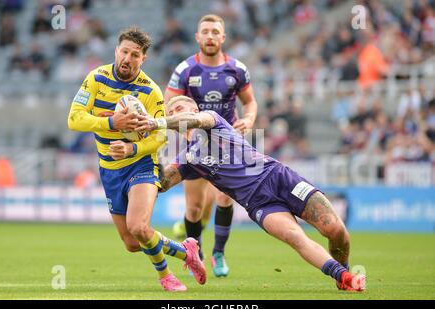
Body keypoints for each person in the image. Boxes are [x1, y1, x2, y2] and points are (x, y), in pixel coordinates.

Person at [130, 95, 366, 292]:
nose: (175, 112)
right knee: (296, 238)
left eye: (179, 108)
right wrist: (139, 151)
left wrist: (158, 122)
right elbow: (159, 183)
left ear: (194, 109)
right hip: (257, 202)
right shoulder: (187, 159)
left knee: (335, 230)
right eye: (172, 110)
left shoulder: (212, 119)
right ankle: (344, 277)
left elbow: (191, 119)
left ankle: (342, 268)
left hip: (279, 178)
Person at [67, 27, 206, 292]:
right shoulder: (96, 78)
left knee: (139, 226)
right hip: (109, 169)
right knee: (132, 243)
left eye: (135, 54)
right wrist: (111, 121)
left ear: (143, 59)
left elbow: (161, 136)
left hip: (142, 165)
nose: (128, 58)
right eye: (124, 52)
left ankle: (166, 276)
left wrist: (132, 150)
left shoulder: (150, 91)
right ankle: (186, 250)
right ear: (116, 51)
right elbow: (74, 119)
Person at [164, 14, 258, 277]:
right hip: (195, 144)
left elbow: (250, 102)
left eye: (215, 32)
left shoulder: (237, 69)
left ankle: (219, 253)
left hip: (227, 143)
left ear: (223, 37)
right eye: (205, 31)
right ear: (197, 37)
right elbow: (168, 106)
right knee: (194, 208)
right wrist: (186, 130)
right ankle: (198, 254)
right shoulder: (185, 70)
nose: (210, 36)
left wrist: (249, 119)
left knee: (224, 197)